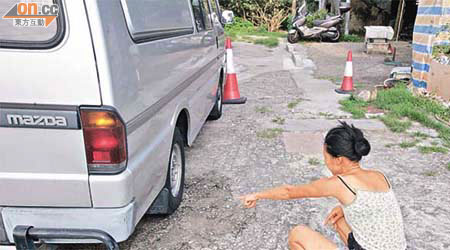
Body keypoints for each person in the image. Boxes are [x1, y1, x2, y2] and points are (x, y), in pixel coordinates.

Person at [240, 122, 407, 250]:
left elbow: (288, 192)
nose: (325, 163)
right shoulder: (379, 175)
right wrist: (343, 208)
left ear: (339, 160)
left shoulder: (338, 184)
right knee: (340, 219)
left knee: (297, 234)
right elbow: (372, 203)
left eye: (325, 158)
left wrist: (256, 195)